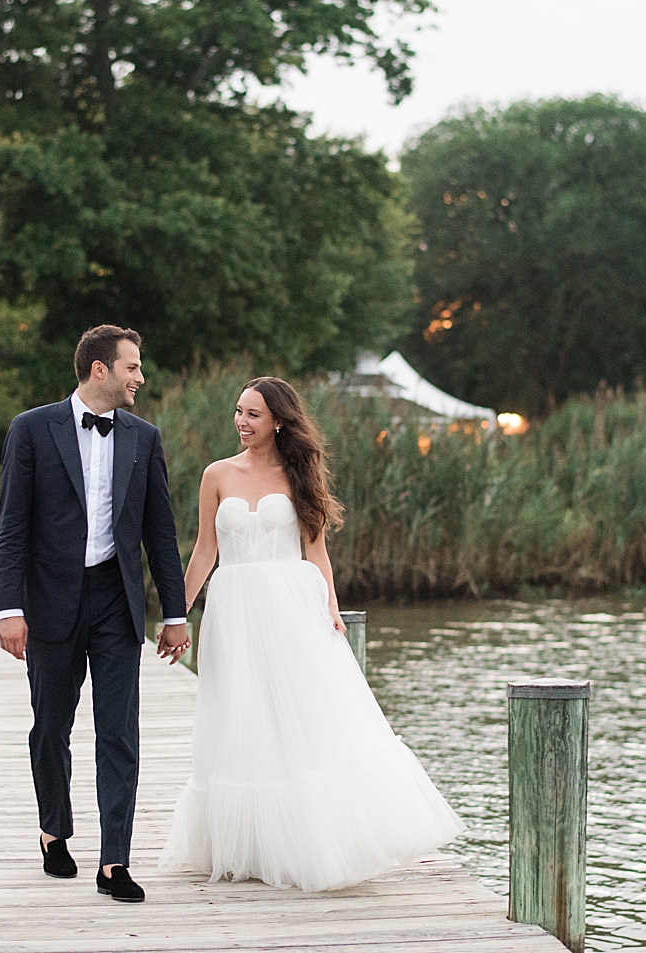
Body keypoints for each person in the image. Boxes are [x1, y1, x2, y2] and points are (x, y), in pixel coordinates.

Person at [159, 376, 462, 891]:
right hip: (232, 608)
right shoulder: (216, 475)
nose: (241, 422)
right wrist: (175, 616)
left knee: (299, 715)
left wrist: (332, 609)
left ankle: (309, 839)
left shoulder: (299, 474)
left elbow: (316, 550)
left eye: (253, 414)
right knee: (238, 713)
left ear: (278, 420)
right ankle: (248, 845)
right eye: (238, 411)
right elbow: (205, 550)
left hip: (289, 606)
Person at [0, 324, 192, 903]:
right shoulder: (31, 429)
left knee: (119, 731)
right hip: (50, 598)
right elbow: (12, 528)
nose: (141, 377)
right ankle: (54, 831)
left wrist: (174, 613)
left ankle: (115, 862)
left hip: (115, 599)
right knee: (51, 725)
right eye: (133, 367)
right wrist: (10, 607)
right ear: (100, 370)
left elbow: (160, 533)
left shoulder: (143, 437)